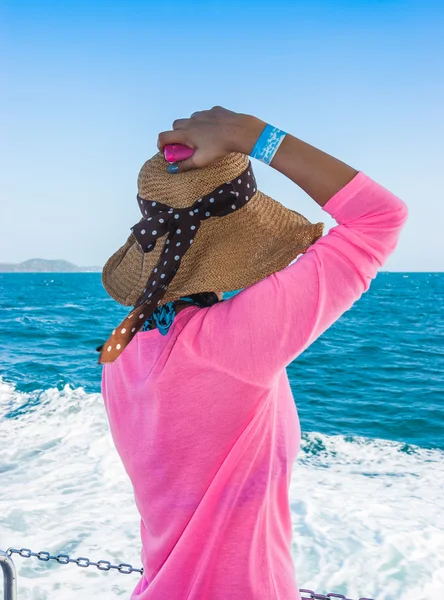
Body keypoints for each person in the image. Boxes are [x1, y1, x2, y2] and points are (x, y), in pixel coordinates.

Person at [99, 107, 408, 599]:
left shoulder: (123, 352)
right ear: (246, 243)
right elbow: (379, 218)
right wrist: (250, 136)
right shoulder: (231, 344)